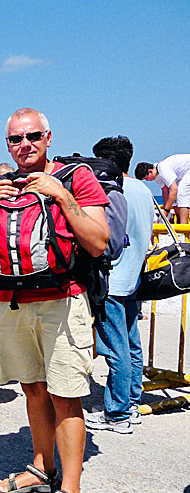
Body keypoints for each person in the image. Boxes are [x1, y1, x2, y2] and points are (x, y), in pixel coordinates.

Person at [0, 108, 109, 493]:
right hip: (12, 303)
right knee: (32, 389)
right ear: (7, 145)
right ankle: (41, 465)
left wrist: (62, 198)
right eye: (15, 139)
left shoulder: (75, 177)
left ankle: (70, 492)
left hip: (62, 302)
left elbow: (99, 240)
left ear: (48, 137)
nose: (24, 145)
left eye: (32, 136)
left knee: (66, 396)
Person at [87, 136, 152, 433]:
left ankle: (117, 413)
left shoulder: (111, 189)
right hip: (134, 277)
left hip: (112, 279)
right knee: (131, 344)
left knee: (116, 350)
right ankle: (132, 403)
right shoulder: (144, 190)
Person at [135, 154, 190, 223]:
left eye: (146, 178)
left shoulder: (163, 169)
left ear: (150, 171)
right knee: (175, 198)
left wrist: (166, 211)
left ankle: (183, 227)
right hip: (184, 173)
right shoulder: (157, 176)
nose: (147, 181)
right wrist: (166, 210)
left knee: (181, 193)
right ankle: (179, 223)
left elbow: (174, 190)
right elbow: (165, 191)